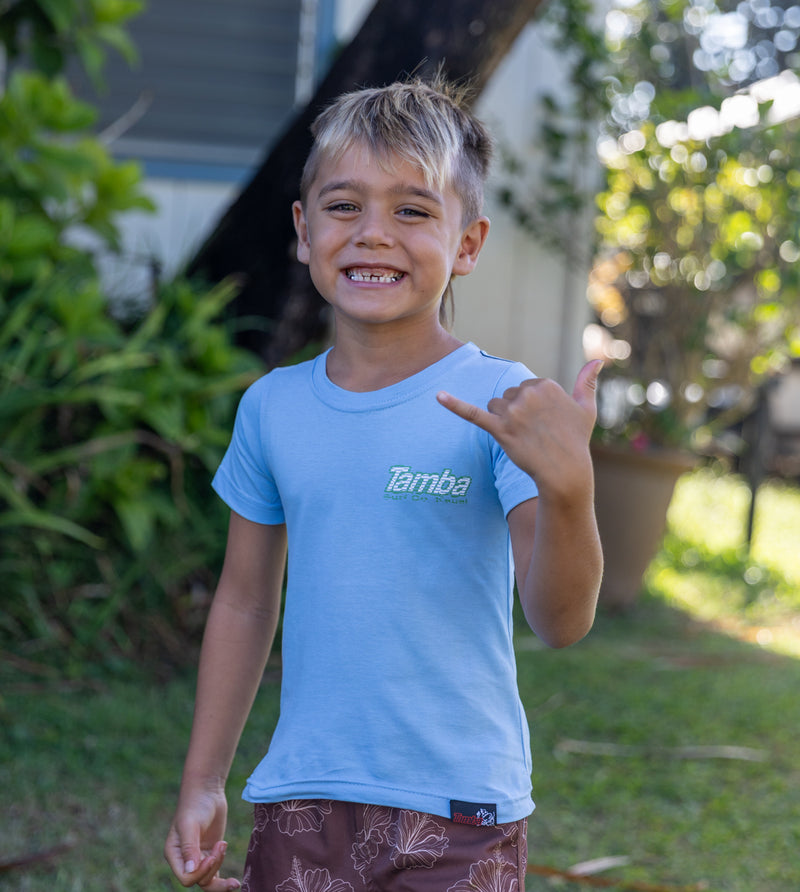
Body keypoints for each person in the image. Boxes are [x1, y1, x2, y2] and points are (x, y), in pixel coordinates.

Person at [164, 76, 603, 892]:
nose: (374, 235)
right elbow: (245, 601)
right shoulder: (273, 407)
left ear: (467, 244)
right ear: (303, 230)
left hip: (461, 810)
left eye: (411, 210)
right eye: (344, 206)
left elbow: (561, 620)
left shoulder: (502, 406)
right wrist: (202, 779)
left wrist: (571, 493)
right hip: (303, 796)